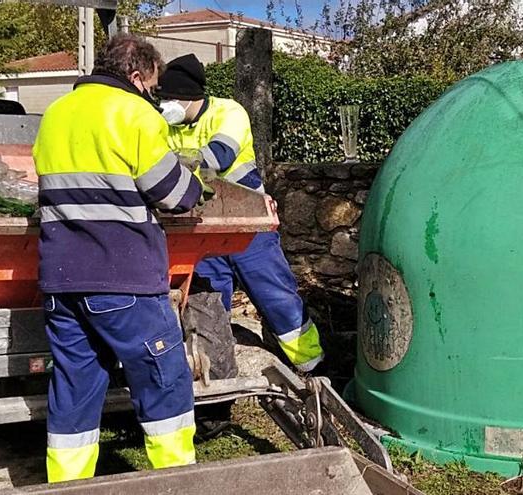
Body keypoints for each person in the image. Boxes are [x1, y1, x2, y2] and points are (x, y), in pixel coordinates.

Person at [33, 35, 203, 483]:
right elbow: (176, 195)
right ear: (136, 76)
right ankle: (179, 482)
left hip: (62, 281)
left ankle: (68, 486)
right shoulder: (134, 114)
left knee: (74, 389)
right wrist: (194, 183)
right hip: (123, 277)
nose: (154, 93)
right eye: (152, 83)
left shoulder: (55, 113)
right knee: (164, 380)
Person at [157, 54, 325, 374]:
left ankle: (312, 366)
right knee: (211, 308)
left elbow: (219, 158)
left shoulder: (228, 112)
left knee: (277, 298)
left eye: (169, 98)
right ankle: (219, 375)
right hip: (201, 230)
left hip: (250, 227)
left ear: (189, 96)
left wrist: (171, 161)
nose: (165, 105)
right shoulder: (166, 127)